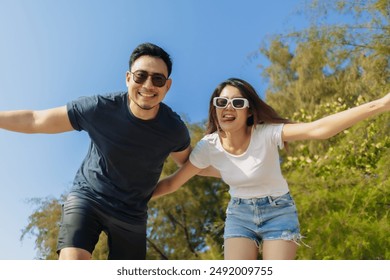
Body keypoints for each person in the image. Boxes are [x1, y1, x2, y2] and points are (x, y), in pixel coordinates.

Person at [152, 77, 390, 260]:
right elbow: (173, 182)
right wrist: (129, 197)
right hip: (239, 215)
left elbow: (318, 129)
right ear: (215, 108)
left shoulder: (265, 134)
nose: (228, 107)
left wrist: (381, 104)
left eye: (237, 103)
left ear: (249, 111)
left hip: (279, 211)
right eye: (222, 102)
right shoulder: (209, 147)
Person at [0, 42, 200, 260]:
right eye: (140, 76)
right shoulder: (99, 108)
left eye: (157, 79)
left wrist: (238, 167)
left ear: (167, 86)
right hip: (89, 198)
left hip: (132, 214)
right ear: (128, 78)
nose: (148, 85)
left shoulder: (173, 130)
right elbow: (35, 120)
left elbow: (192, 164)